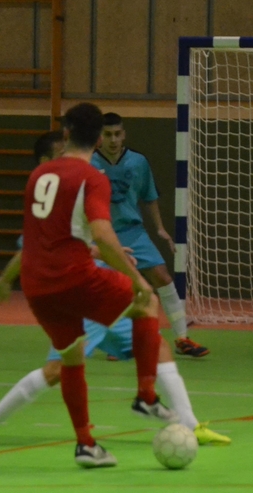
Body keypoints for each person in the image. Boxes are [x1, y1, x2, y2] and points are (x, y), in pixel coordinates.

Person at [0, 130, 229, 452]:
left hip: (98, 287)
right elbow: (32, 250)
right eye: (61, 154)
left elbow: (91, 238)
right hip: (80, 293)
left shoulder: (77, 186)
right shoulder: (49, 199)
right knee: (58, 369)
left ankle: (190, 424)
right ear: (45, 162)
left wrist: (102, 253)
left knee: (155, 344)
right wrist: (5, 279)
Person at [92, 112, 208, 358]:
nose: (113, 140)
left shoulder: (138, 162)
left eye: (117, 134)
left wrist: (159, 228)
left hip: (133, 232)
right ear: (99, 137)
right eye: (107, 134)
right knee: (113, 288)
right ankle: (119, 343)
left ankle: (182, 338)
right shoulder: (88, 163)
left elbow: (149, 197)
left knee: (162, 276)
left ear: (124, 134)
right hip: (103, 235)